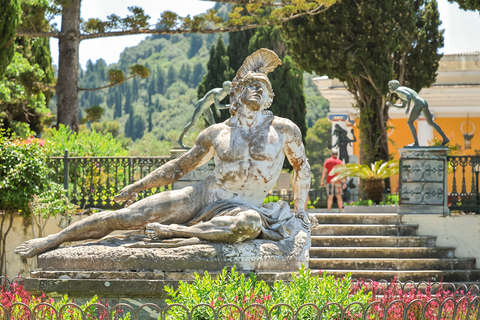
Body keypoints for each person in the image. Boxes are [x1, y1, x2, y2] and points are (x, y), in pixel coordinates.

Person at [15, 49, 317, 258]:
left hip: (244, 207)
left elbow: (302, 168)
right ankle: (54, 239)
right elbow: (178, 168)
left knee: (248, 225)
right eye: (250, 85)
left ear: (270, 98)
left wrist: (301, 209)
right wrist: (137, 185)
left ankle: (175, 233)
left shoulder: (285, 130)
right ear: (237, 93)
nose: (257, 90)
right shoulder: (216, 133)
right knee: (129, 215)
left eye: (263, 87)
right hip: (204, 196)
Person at [386, 80, 449, 147]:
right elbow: (403, 105)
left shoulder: (398, 90)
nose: (389, 87)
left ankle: (416, 143)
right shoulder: (401, 91)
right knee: (430, 123)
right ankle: (445, 139)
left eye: (390, 86)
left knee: (410, 123)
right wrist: (393, 105)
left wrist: (408, 108)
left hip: (418, 103)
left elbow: (408, 96)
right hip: (423, 102)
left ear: (395, 86)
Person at [177, 81, 232, 148]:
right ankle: (180, 139)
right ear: (226, 88)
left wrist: (217, 110)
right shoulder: (217, 93)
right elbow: (217, 106)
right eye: (230, 88)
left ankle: (216, 143)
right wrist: (230, 105)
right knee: (193, 123)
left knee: (214, 125)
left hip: (207, 107)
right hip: (201, 105)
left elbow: (215, 103)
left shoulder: (224, 94)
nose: (231, 90)